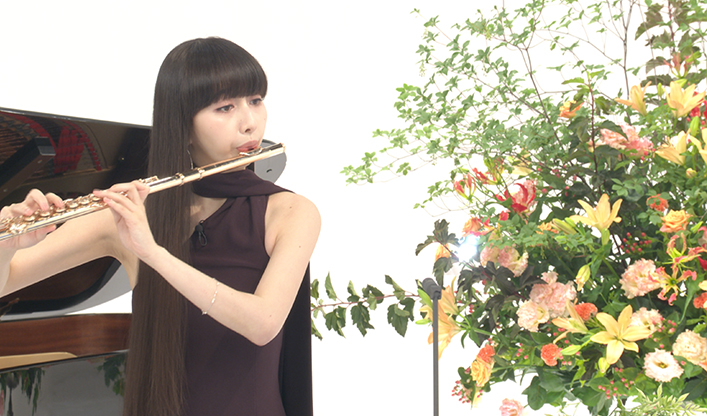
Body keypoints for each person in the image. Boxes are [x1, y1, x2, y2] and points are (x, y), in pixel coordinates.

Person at [0, 37, 320, 416]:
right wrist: (9, 244)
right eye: (225, 107)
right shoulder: (129, 216)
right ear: (184, 126)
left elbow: (262, 324)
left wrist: (152, 252)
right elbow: (9, 282)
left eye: (255, 100)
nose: (250, 122)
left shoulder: (291, 212)